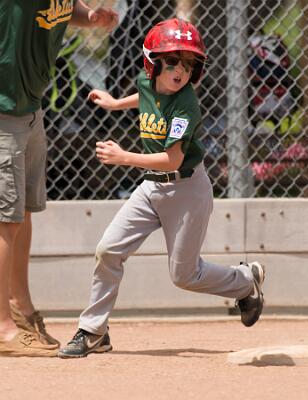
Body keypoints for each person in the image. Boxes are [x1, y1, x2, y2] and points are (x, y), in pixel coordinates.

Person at [58, 18, 266, 358]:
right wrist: (114, 103)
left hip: (186, 190)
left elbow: (172, 160)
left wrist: (124, 157)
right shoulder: (147, 80)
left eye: (188, 63)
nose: (180, 70)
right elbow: (145, 95)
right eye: (171, 61)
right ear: (152, 63)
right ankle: (94, 331)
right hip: (151, 188)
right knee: (108, 250)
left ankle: (244, 281)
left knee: (184, 276)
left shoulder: (186, 104)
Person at [0, 1, 118, 357]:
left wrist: (89, 17)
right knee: (4, 221)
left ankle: (20, 308)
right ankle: (2, 328)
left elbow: (63, 7)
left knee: (22, 212)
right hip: (3, 109)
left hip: (29, 106)